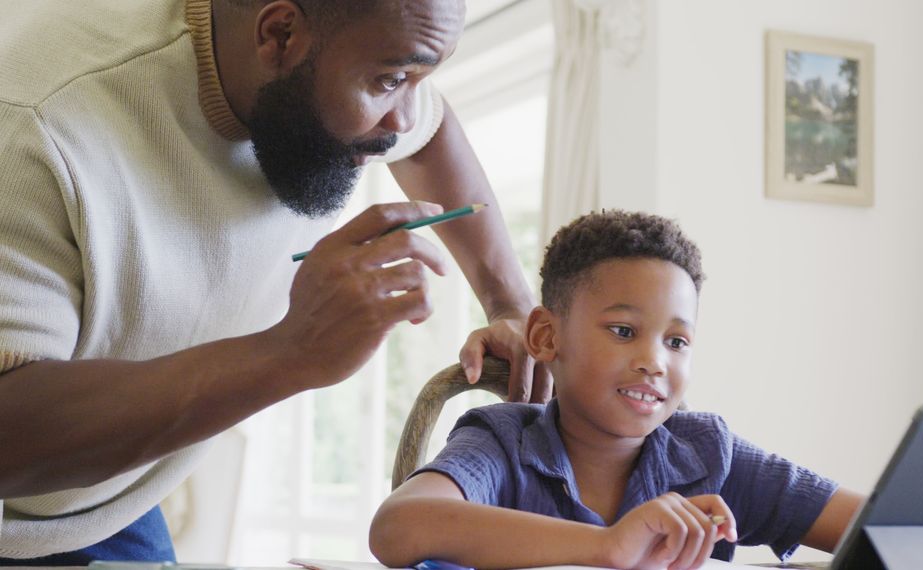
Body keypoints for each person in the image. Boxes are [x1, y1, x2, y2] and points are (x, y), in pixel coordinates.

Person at [0, 0, 547, 563]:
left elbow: (430, 133)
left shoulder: (348, 43)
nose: (403, 119)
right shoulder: (34, 126)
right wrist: (289, 353)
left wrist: (509, 303)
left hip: (114, 495)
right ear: (280, 33)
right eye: (390, 81)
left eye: (418, 80)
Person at [370, 210, 923, 568]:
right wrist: (608, 547)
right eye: (624, 331)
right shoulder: (504, 443)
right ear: (547, 339)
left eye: (677, 342)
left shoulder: (706, 452)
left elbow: (877, 526)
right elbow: (397, 527)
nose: (655, 362)